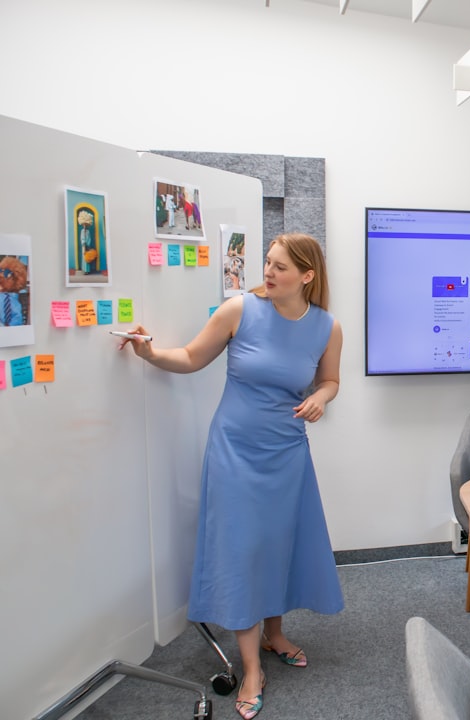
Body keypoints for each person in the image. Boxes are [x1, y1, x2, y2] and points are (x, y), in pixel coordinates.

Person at [119, 233, 343, 719]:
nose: (268, 272)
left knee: (277, 543)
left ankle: (274, 634)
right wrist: (151, 353)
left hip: (286, 452)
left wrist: (322, 398)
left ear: (306, 275)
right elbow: (192, 357)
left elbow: (330, 380)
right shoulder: (238, 311)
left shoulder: (326, 327)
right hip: (235, 452)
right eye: (267, 262)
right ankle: (251, 668)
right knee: (243, 550)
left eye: (280, 266)